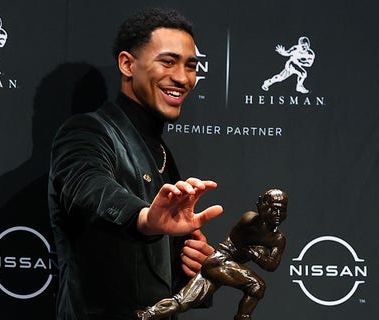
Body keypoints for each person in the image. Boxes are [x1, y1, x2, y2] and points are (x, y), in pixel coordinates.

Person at [48, 8, 223, 320]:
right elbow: (87, 187)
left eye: (191, 66)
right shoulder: (87, 132)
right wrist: (142, 218)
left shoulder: (163, 156)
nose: (182, 78)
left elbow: (155, 283)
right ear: (127, 64)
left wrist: (193, 269)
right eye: (168, 62)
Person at [137, 189, 287, 320]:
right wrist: (255, 252)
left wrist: (257, 255)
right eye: (274, 209)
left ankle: (148, 313)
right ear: (262, 206)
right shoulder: (250, 220)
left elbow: (272, 265)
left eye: (283, 210)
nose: (278, 215)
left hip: (221, 266)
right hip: (219, 261)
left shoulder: (278, 239)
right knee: (257, 285)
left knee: (182, 301)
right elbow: (236, 244)